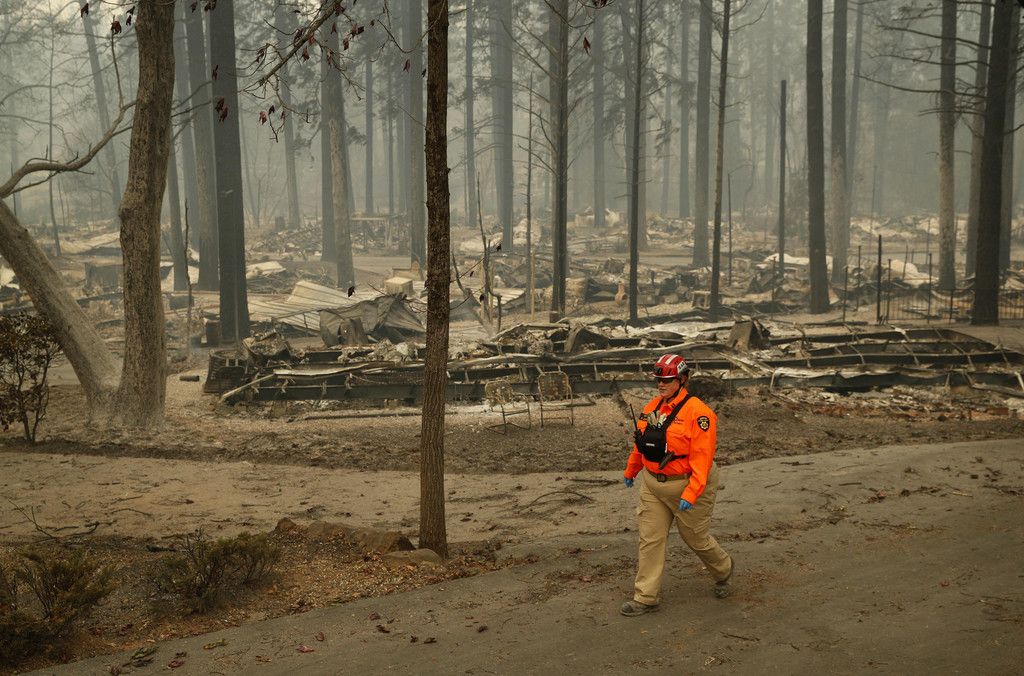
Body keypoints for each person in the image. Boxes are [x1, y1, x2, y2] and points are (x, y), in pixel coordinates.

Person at [620, 353, 733, 617]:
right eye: (658, 380)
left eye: (667, 380)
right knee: (650, 539)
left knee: (695, 538)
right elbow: (641, 444)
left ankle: (723, 569)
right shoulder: (651, 408)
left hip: (686, 484)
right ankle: (645, 597)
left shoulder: (700, 414)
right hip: (653, 485)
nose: (661, 384)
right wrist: (631, 470)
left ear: (682, 380)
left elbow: (702, 458)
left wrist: (692, 493)